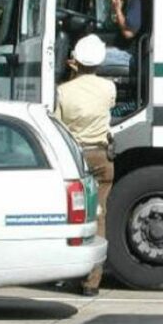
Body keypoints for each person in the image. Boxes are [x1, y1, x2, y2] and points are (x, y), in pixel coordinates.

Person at [54, 34, 116, 297]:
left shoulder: (63, 91)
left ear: (74, 61)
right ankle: (92, 282)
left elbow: (58, 123)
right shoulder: (108, 87)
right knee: (98, 215)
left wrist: (71, 76)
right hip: (102, 158)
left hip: (75, 159)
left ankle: (67, 274)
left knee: (74, 215)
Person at [104, 0, 148, 69]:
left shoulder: (137, 0)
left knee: (84, 57)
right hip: (132, 51)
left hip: (134, 56)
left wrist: (118, 9)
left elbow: (128, 33)